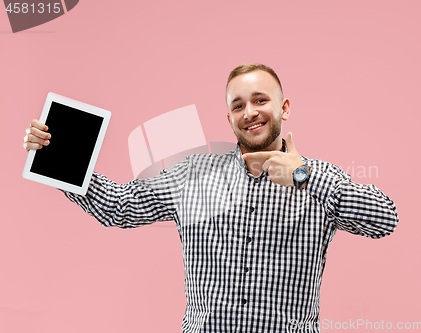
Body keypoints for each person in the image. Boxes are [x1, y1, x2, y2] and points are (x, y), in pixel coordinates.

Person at [24, 63, 399, 332]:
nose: (250, 112)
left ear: (284, 108)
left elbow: (385, 219)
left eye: (260, 100)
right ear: (230, 119)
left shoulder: (320, 178)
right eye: (238, 105)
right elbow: (120, 208)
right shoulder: (194, 174)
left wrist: (303, 177)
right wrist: (54, 156)